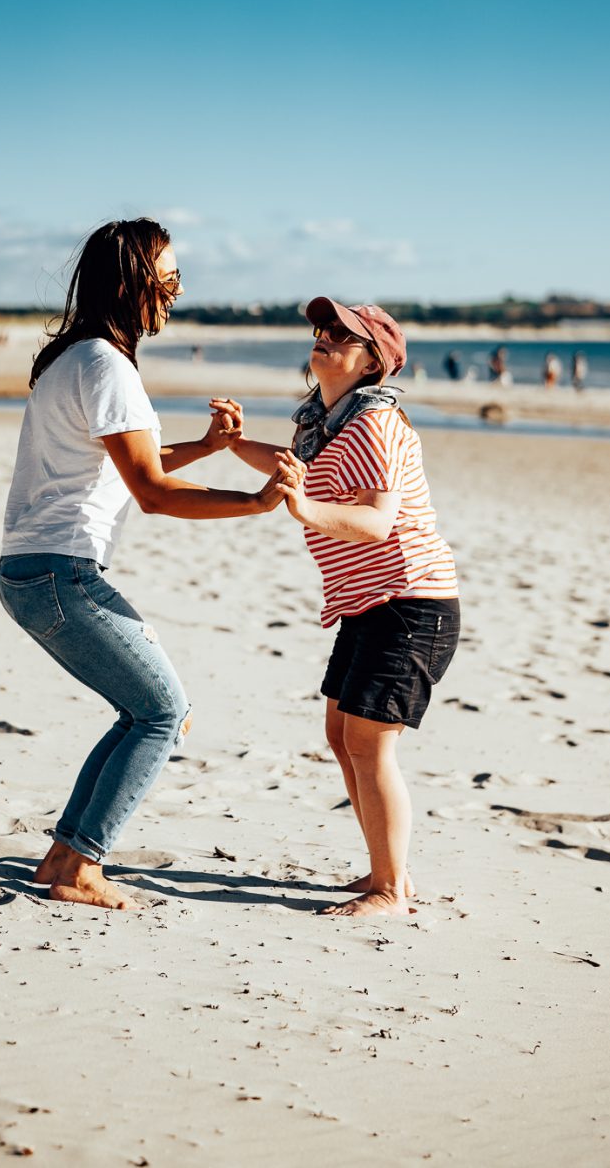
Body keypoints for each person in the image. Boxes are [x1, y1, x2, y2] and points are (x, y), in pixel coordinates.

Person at [0, 218, 297, 911]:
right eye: (168, 277)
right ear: (133, 282)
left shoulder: (71, 358)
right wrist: (254, 502)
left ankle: (62, 856)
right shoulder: (106, 365)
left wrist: (208, 446)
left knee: (142, 710)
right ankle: (81, 867)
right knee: (164, 711)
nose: (176, 291)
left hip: (32, 572)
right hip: (59, 575)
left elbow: (134, 464)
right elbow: (154, 494)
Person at [215, 299, 460, 918]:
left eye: (341, 336)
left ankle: (390, 889)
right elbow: (291, 464)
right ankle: (386, 869)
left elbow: (378, 521)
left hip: (412, 603)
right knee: (339, 735)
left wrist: (304, 511)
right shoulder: (323, 422)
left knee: (368, 741)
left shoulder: (375, 423)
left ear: (373, 359)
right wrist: (234, 445)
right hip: (367, 604)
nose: (322, 339)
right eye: (321, 331)